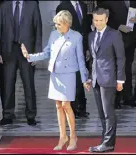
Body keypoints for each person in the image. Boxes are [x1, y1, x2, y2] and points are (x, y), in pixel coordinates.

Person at [21, 10, 89, 151]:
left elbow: (81, 60)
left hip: (69, 74)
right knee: (58, 105)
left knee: (66, 104)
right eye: (55, 24)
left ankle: (73, 137)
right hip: (56, 74)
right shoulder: (53, 35)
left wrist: (84, 79)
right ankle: (62, 136)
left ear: (66, 24)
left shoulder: (76, 37)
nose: (56, 26)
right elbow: (47, 53)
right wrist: (30, 56)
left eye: (58, 24)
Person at [0, 0, 42, 126]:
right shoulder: (4, 6)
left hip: (28, 52)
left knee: (29, 84)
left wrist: (37, 54)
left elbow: (38, 30)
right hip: (8, 51)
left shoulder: (32, 5)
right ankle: (8, 114)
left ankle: (31, 115)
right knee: (8, 84)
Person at [87, 8, 125, 152]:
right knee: (101, 113)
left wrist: (120, 80)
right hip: (96, 79)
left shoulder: (114, 34)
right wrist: (90, 77)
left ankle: (109, 143)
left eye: (101, 20)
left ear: (106, 19)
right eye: (95, 20)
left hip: (109, 78)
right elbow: (93, 59)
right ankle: (105, 140)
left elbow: (121, 58)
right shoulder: (91, 35)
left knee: (109, 112)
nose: (98, 23)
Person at [97, 1, 136, 108]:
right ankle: (115, 100)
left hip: (131, 39)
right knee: (115, 69)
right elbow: (101, 17)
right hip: (115, 39)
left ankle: (127, 97)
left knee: (127, 69)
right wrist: (118, 26)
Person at [56, 0, 91, 118]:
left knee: (82, 77)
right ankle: (73, 108)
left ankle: (81, 107)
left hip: (82, 47)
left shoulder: (83, 6)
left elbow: (86, 29)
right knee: (72, 79)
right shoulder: (63, 6)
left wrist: (87, 48)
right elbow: (60, 29)